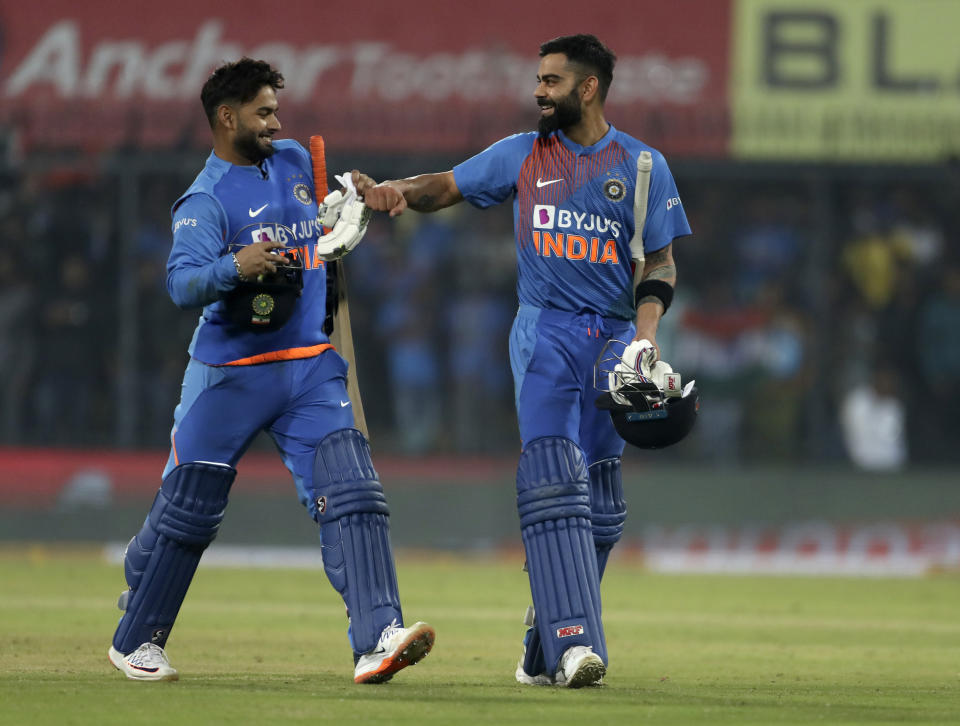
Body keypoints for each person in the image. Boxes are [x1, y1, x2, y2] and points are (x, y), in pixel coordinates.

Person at [362, 35, 690, 687]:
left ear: (588, 88)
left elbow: (659, 261)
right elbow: (447, 185)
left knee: (602, 502)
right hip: (547, 332)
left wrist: (646, 338)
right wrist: (397, 191)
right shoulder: (522, 154)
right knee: (551, 477)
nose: (538, 91)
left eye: (551, 81)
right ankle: (575, 646)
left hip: (615, 342)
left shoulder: (644, 165)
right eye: (538, 80)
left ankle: (541, 649)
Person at [107, 58, 434, 684]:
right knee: (187, 513)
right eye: (263, 112)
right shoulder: (204, 199)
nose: (276, 122)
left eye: (276, 110)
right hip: (230, 372)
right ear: (227, 118)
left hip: (308, 365)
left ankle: (378, 637)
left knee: (354, 489)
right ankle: (137, 641)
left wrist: (354, 198)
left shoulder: (292, 163)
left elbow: (324, 220)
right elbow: (180, 284)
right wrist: (236, 266)